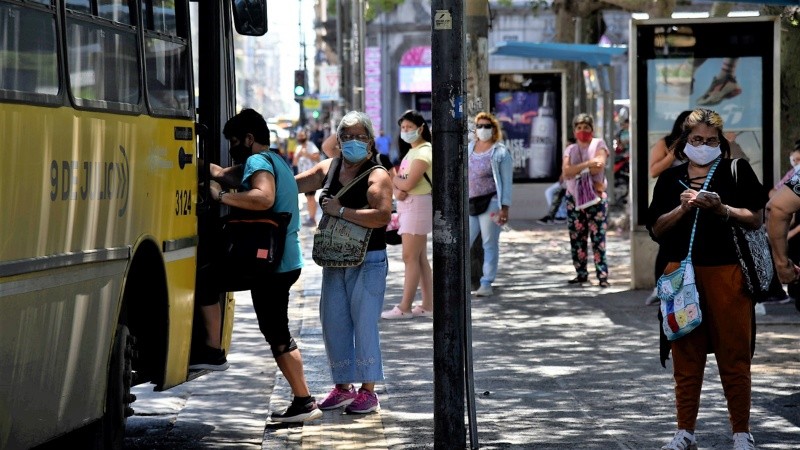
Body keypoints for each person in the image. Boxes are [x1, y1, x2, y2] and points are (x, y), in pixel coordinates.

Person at [647, 108, 762, 450]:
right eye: (697, 139)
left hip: (726, 273)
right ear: (684, 142)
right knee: (685, 354)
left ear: (721, 144)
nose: (704, 145)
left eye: (711, 141)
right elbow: (656, 228)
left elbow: (755, 219)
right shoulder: (670, 179)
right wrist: (682, 209)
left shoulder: (735, 171)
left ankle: (741, 433)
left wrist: (721, 209)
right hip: (680, 275)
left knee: (734, 354)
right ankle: (684, 432)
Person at [207, 108, 322, 423]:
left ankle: (212, 350)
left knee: (207, 280)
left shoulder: (258, 163)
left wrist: (222, 198)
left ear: (248, 138)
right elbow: (231, 173)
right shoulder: (274, 160)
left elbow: (263, 197)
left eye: (234, 140)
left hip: (271, 263)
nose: (233, 146)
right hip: (284, 260)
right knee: (276, 331)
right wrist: (210, 171)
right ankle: (303, 399)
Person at [295, 110, 393, 414]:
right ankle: (342, 387)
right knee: (334, 322)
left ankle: (368, 391)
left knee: (364, 324)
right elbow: (293, 183)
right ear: (338, 140)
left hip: (369, 260)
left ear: (370, 141)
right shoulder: (330, 167)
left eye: (359, 136)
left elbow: (382, 216)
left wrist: (340, 211)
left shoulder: (378, 175)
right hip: (335, 261)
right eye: (346, 136)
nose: (353, 141)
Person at [381, 109, 434, 319]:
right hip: (409, 206)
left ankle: (405, 307)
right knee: (419, 258)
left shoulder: (424, 152)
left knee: (409, 256)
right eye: (403, 128)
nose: (405, 131)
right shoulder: (412, 152)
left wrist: (394, 181)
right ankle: (428, 305)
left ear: (420, 128)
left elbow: (408, 182)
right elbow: (401, 184)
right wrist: (397, 186)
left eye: (409, 127)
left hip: (417, 205)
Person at [644, 110, 693, 305]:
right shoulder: (666, 143)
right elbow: (654, 170)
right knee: (667, 243)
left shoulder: (701, 144)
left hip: (695, 198)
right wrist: (673, 153)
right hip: (671, 199)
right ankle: (660, 286)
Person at [561, 113, 611, 287]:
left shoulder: (599, 144)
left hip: (596, 200)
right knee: (577, 238)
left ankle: (602, 275)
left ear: (592, 129)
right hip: (574, 200)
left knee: (598, 239)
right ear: (574, 131)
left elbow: (600, 165)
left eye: (586, 127)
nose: (583, 131)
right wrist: (587, 165)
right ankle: (581, 273)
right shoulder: (570, 149)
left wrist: (577, 169)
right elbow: (566, 172)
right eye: (579, 128)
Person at [467, 112, 513, 297]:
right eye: (480, 126)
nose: (483, 130)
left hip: (491, 202)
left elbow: (507, 181)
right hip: (470, 202)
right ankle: (459, 281)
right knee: (465, 241)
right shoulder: (469, 148)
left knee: (489, 243)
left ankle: (486, 282)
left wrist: (505, 208)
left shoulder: (500, 152)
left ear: (494, 129)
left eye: (487, 126)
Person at [292, 129, 321, 226]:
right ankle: (311, 217)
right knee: (308, 198)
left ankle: (312, 218)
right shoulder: (298, 148)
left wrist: (307, 154)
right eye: (299, 136)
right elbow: (294, 163)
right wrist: (298, 154)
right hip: (304, 177)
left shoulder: (311, 145)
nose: (300, 138)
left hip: (312, 176)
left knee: (311, 197)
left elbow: (317, 157)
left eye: (302, 136)